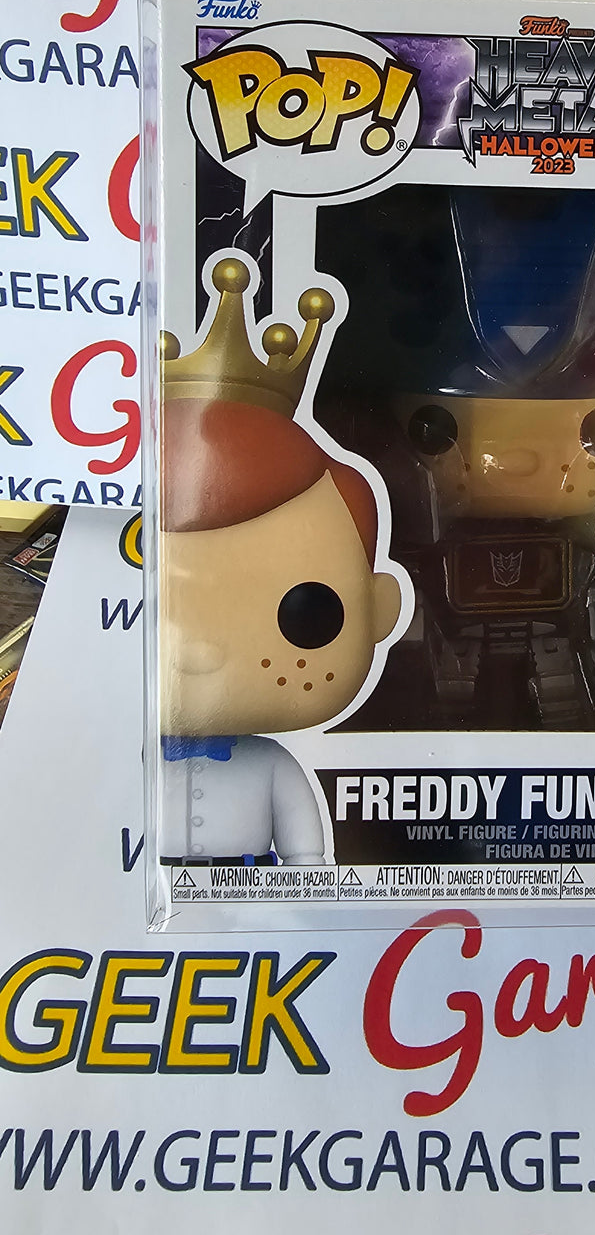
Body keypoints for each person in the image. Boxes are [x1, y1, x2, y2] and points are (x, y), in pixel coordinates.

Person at [158, 257, 405, 864]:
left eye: (308, 613)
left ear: (379, 609)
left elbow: (307, 858)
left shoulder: (274, 766)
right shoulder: (123, 758)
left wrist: (304, 896)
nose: (196, 653)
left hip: (256, 896)